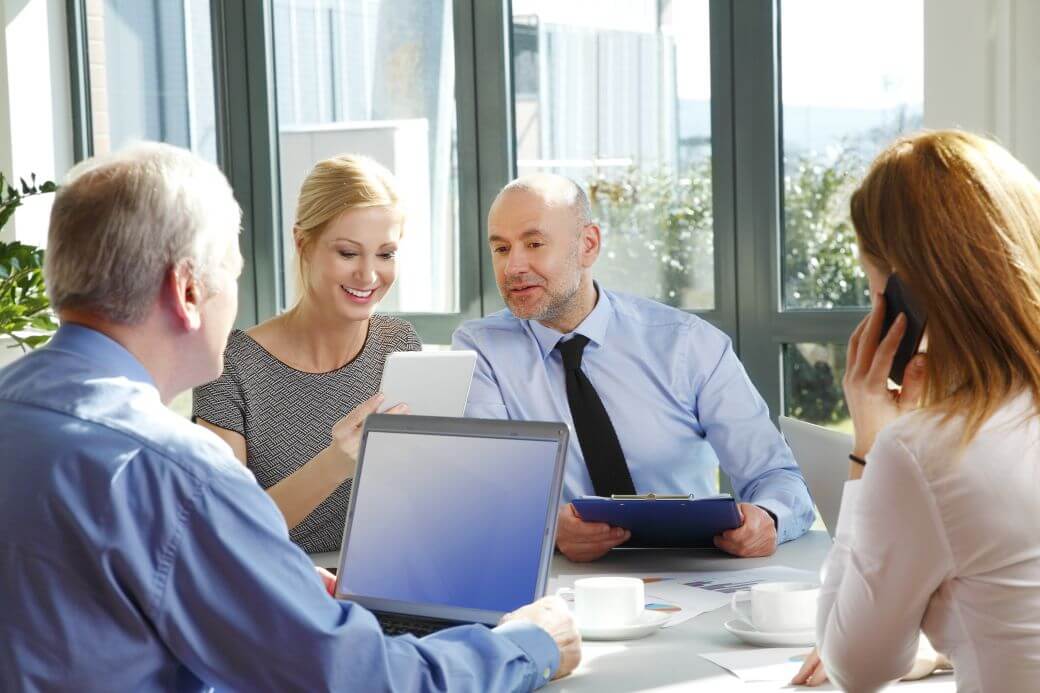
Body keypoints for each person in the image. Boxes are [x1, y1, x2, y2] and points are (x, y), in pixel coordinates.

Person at [0, 143, 579, 691]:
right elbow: (350, 679)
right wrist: (528, 645)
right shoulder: (175, 474)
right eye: (232, 269)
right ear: (187, 291)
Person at [452, 174, 814, 561]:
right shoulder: (480, 351)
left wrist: (769, 518)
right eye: (501, 249)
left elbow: (776, 476)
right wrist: (546, 528)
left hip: (694, 572)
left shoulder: (686, 343)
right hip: (558, 581)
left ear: (588, 245)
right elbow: (480, 492)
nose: (513, 266)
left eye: (534, 244)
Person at [791, 130, 1040, 690]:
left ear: (905, 296)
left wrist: (869, 447)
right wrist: (946, 644)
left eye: (871, 282)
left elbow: (857, 668)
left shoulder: (925, 453)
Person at [193, 154, 419, 553]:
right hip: (280, 590)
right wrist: (334, 464)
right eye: (348, 253)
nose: (368, 275)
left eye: (385, 254)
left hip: (388, 578)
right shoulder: (231, 366)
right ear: (303, 243)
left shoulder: (399, 346)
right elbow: (224, 529)